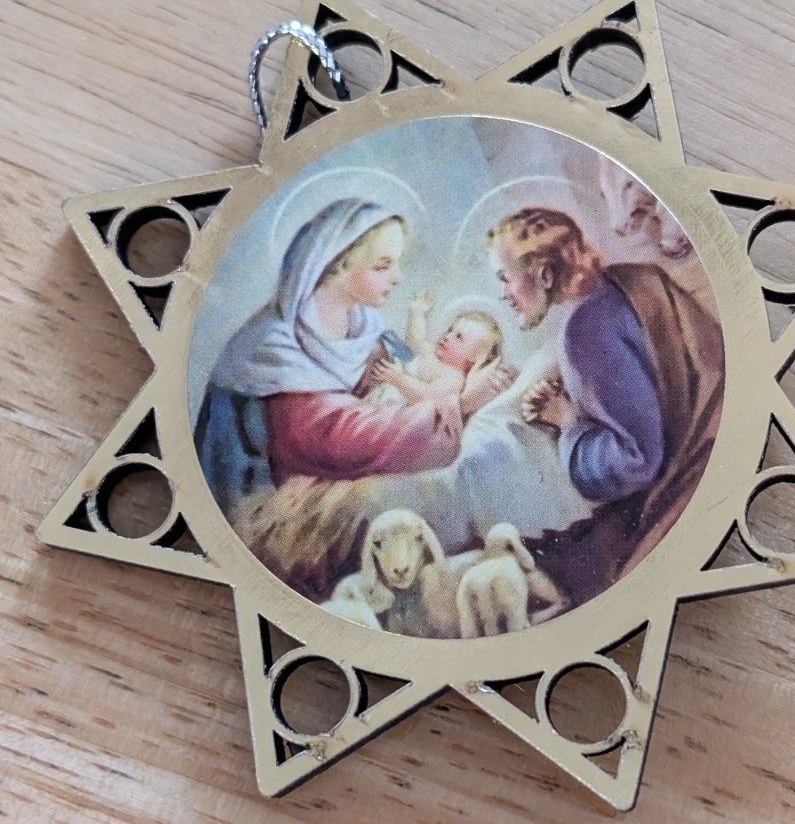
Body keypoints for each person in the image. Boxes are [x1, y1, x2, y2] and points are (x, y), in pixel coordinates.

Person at [194, 198, 508, 518]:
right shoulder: (275, 354)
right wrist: (459, 406)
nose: (398, 277)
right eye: (383, 266)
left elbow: (411, 370)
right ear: (338, 264)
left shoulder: (369, 330)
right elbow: (347, 441)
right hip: (280, 506)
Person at [486, 206, 724, 590]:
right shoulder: (636, 280)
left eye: (505, 278)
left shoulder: (582, 332)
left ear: (545, 275)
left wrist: (567, 422)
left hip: (687, 484)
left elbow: (636, 461)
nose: (504, 294)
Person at [368, 291, 506, 405]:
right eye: (450, 330)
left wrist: (398, 378)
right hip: (379, 399)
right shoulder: (431, 353)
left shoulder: (454, 377)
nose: (447, 336)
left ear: (474, 357)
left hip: (396, 415)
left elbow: (428, 398)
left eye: (458, 337)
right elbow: (416, 340)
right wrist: (417, 313)